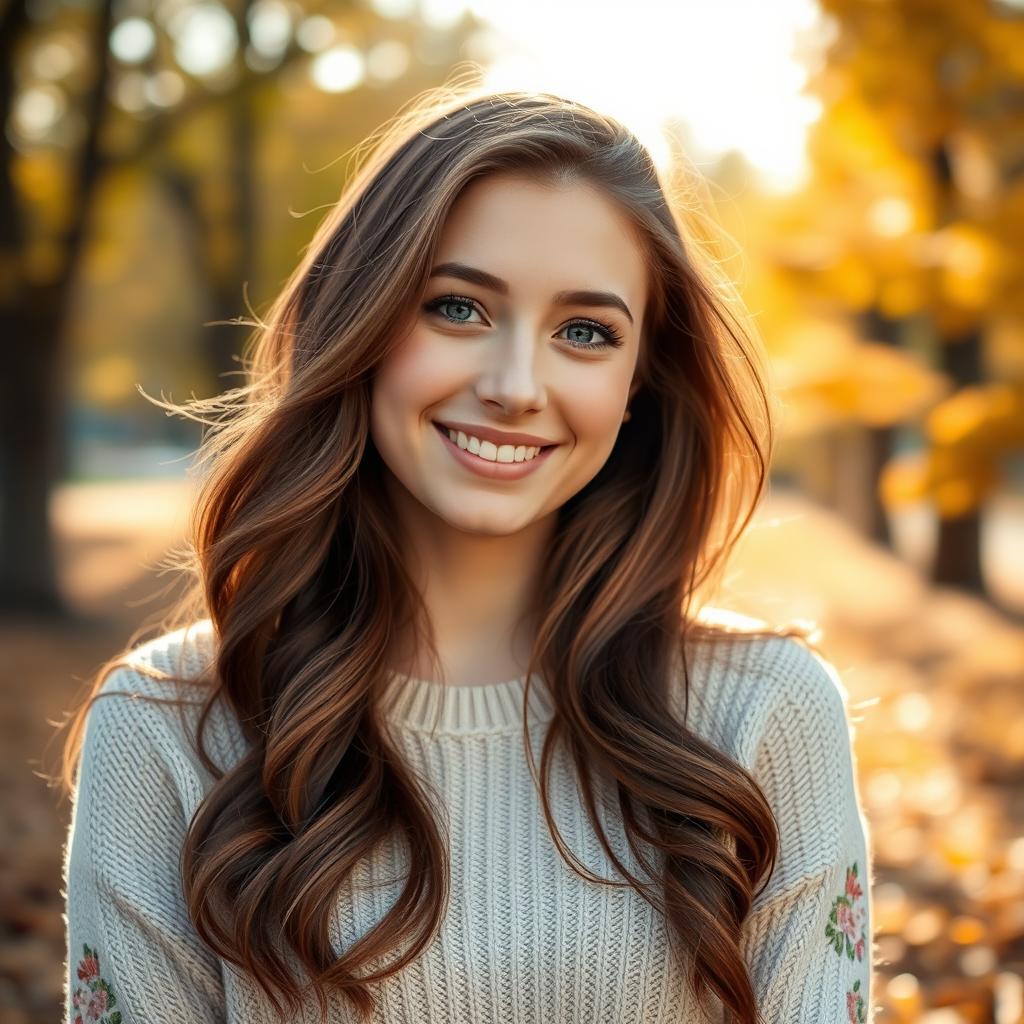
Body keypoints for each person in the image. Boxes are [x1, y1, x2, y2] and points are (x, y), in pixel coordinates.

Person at [59, 85, 873, 1024]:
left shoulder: (764, 716)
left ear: (639, 382)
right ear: (357, 325)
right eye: (458, 308)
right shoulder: (166, 730)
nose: (516, 386)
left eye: (585, 333)